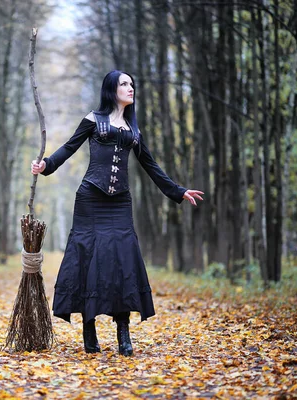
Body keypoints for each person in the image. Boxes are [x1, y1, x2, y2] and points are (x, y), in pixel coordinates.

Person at [30, 70, 204, 356]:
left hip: (119, 202)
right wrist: (45, 164)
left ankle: (123, 330)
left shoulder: (133, 130)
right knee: (88, 258)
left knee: (122, 262)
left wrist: (177, 191)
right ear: (112, 89)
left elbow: (150, 165)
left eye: (132, 84)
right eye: (124, 84)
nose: (130, 88)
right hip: (90, 200)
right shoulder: (92, 120)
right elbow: (69, 148)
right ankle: (89, 325)